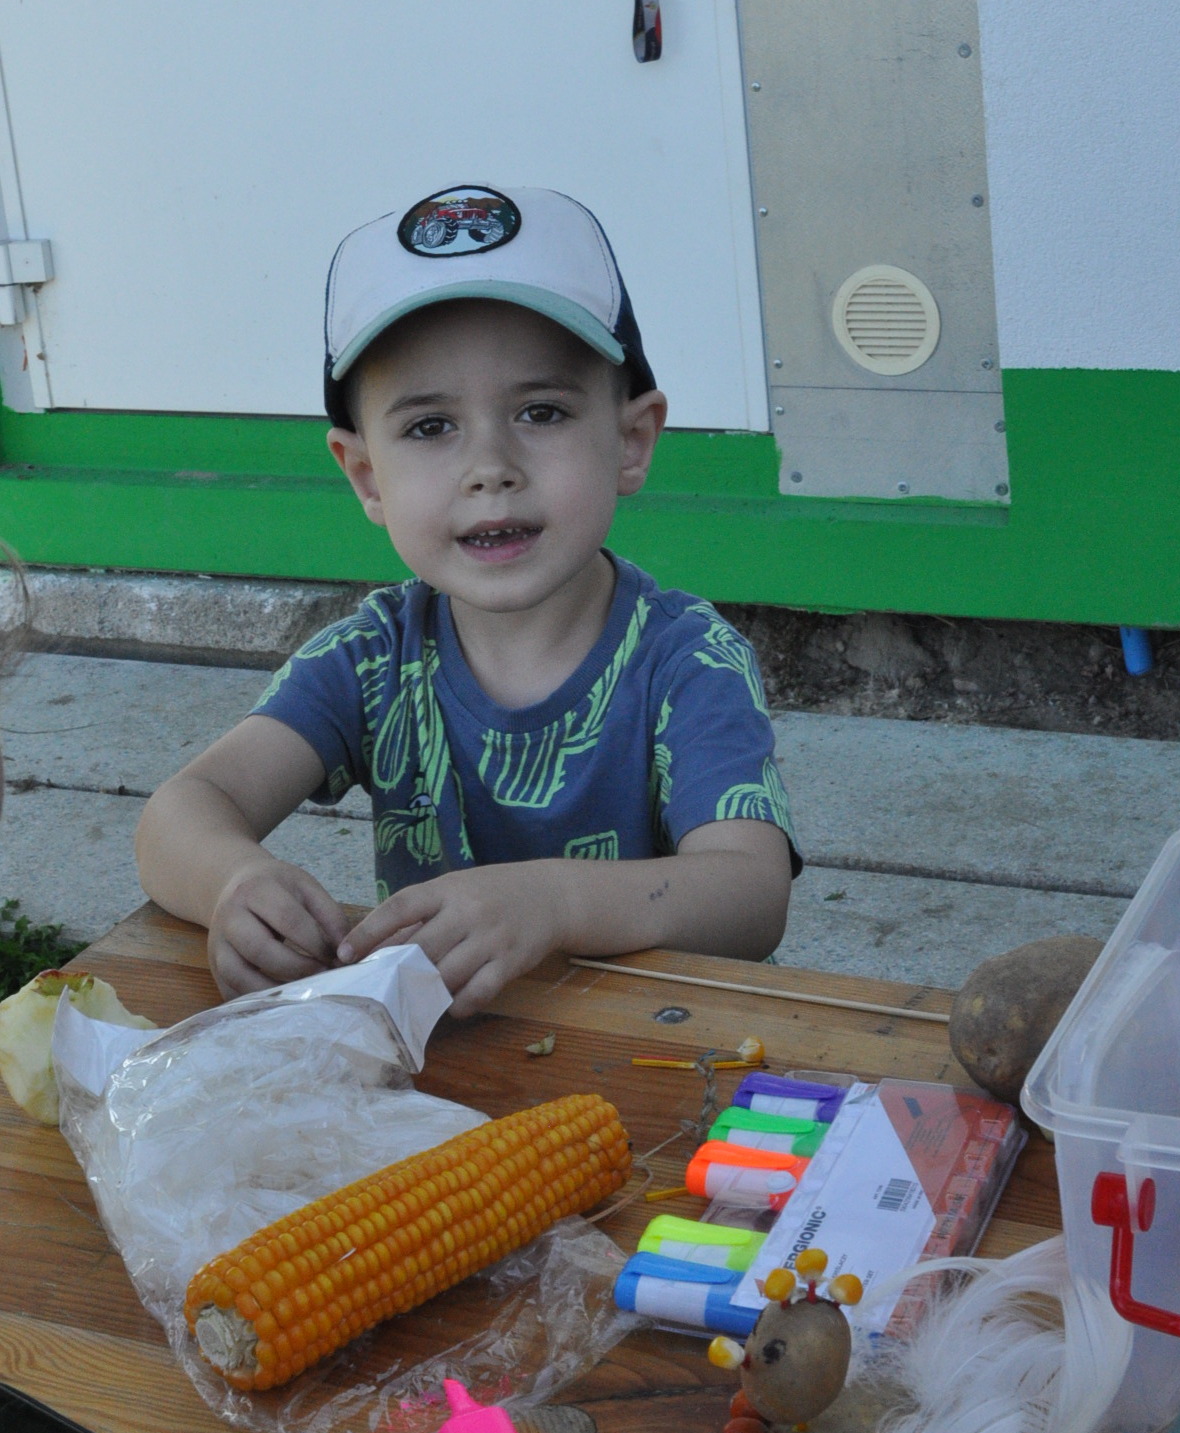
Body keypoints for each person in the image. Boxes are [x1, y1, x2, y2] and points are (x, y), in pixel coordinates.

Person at [136, 183, 799, 1014]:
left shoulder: (688, 658)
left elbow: (750, 893)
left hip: (661, 1049)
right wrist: (235, 882)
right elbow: (179, 812)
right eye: (430, 427)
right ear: (365, 475)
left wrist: (554, 903)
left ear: (632, 441)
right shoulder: (371, 659)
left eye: (541, 411)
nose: (491, 466)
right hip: (452, 1060)